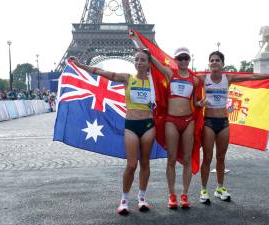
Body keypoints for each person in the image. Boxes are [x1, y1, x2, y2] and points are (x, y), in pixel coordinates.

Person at [69, 49, 155, 215]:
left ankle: (142, 198)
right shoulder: (128, 78)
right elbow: (102, 72)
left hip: (148, 125)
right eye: (136, 60)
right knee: (131, 165)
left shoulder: (153, 82)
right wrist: (80, 65)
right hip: (131, 124)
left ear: (148, 63)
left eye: (142, 60)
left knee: (145, 163)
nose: (138, 62)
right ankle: (124, 199)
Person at [197, 51, 269, 204]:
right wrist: (198, 104)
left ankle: (219, 188)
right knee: (207, 157)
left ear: (222, 64)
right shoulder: (203, 78)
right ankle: (203, 190)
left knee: (221, 158)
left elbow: (251, 77)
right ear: (209, 63)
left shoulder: (228, 78)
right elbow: (182, 78)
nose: (214, 62)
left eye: (217, 60)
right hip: (209, 122)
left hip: (224, 122)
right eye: (212, 60)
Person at [131, 34, 202, 209]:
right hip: (171, 120)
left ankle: (184, 194)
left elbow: (197, 101)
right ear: (176, 60)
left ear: (189, 59)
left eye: (186, 58)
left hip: (188, 121)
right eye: (180, 58)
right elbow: (152, 59)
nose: (183, 61)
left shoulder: (195, 79)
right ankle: (172, 195)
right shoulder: (170, 73)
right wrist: (138, 40)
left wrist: (199, 104)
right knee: (171, 159)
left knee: (186, 159)